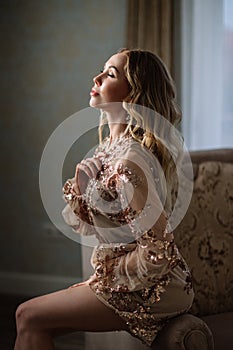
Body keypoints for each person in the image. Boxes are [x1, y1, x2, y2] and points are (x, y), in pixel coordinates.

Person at [14, 49, 194, 349]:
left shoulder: (130, 159)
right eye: (103, 70)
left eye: (110, 74)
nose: (96, 77)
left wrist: (106, 279)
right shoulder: (109, 147)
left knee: (27, 315)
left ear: (133, 94)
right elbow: (109, 228)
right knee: (29, 319)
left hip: (158, 287)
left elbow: (158, 249)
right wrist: (85, 190)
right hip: (135, 277)